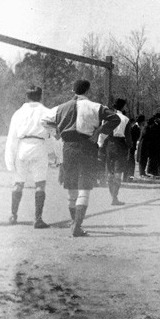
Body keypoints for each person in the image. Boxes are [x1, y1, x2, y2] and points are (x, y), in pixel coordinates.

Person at [42, 80, 120, 237]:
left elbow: (44, 121)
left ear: (73, 90)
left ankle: (74, 223)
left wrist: (56, 132)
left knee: (71, 187)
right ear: (88, 90)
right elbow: (115, 119)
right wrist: (99, 132)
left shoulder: (60, 107)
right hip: (87, 147)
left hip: (68, 148)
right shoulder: (96, 106)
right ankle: (77, 225)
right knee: (84, 187)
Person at [5, 86, 55, 228]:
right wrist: (54, 155)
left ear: (27, 97)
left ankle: (13, 215)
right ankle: (37, 219)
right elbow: (51, 135)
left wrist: (10, 160)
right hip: (39, 147)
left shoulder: (18, 113)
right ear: (40, 96)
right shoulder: (48, 113)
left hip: (22, 147)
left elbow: (12, 138)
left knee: (18, 182)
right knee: (40, 183)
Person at [98, 98, 132, 205]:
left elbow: (102, 133)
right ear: (123, 107)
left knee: (110, 172)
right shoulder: (125, 119)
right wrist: (129, 148)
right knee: (118, 173)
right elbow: (128, 137)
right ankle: (114, 197)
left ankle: (112, 196)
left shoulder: (107, 118)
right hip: (120, 145)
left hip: (109, 145)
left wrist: (100, 146)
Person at [127, 115, 145, 180]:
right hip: (131, 146)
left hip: (132, 146)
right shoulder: (135, 127)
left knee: (131, 160)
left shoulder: (136, 127)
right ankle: (130, 175)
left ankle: (130, 175)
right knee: (131, 161)